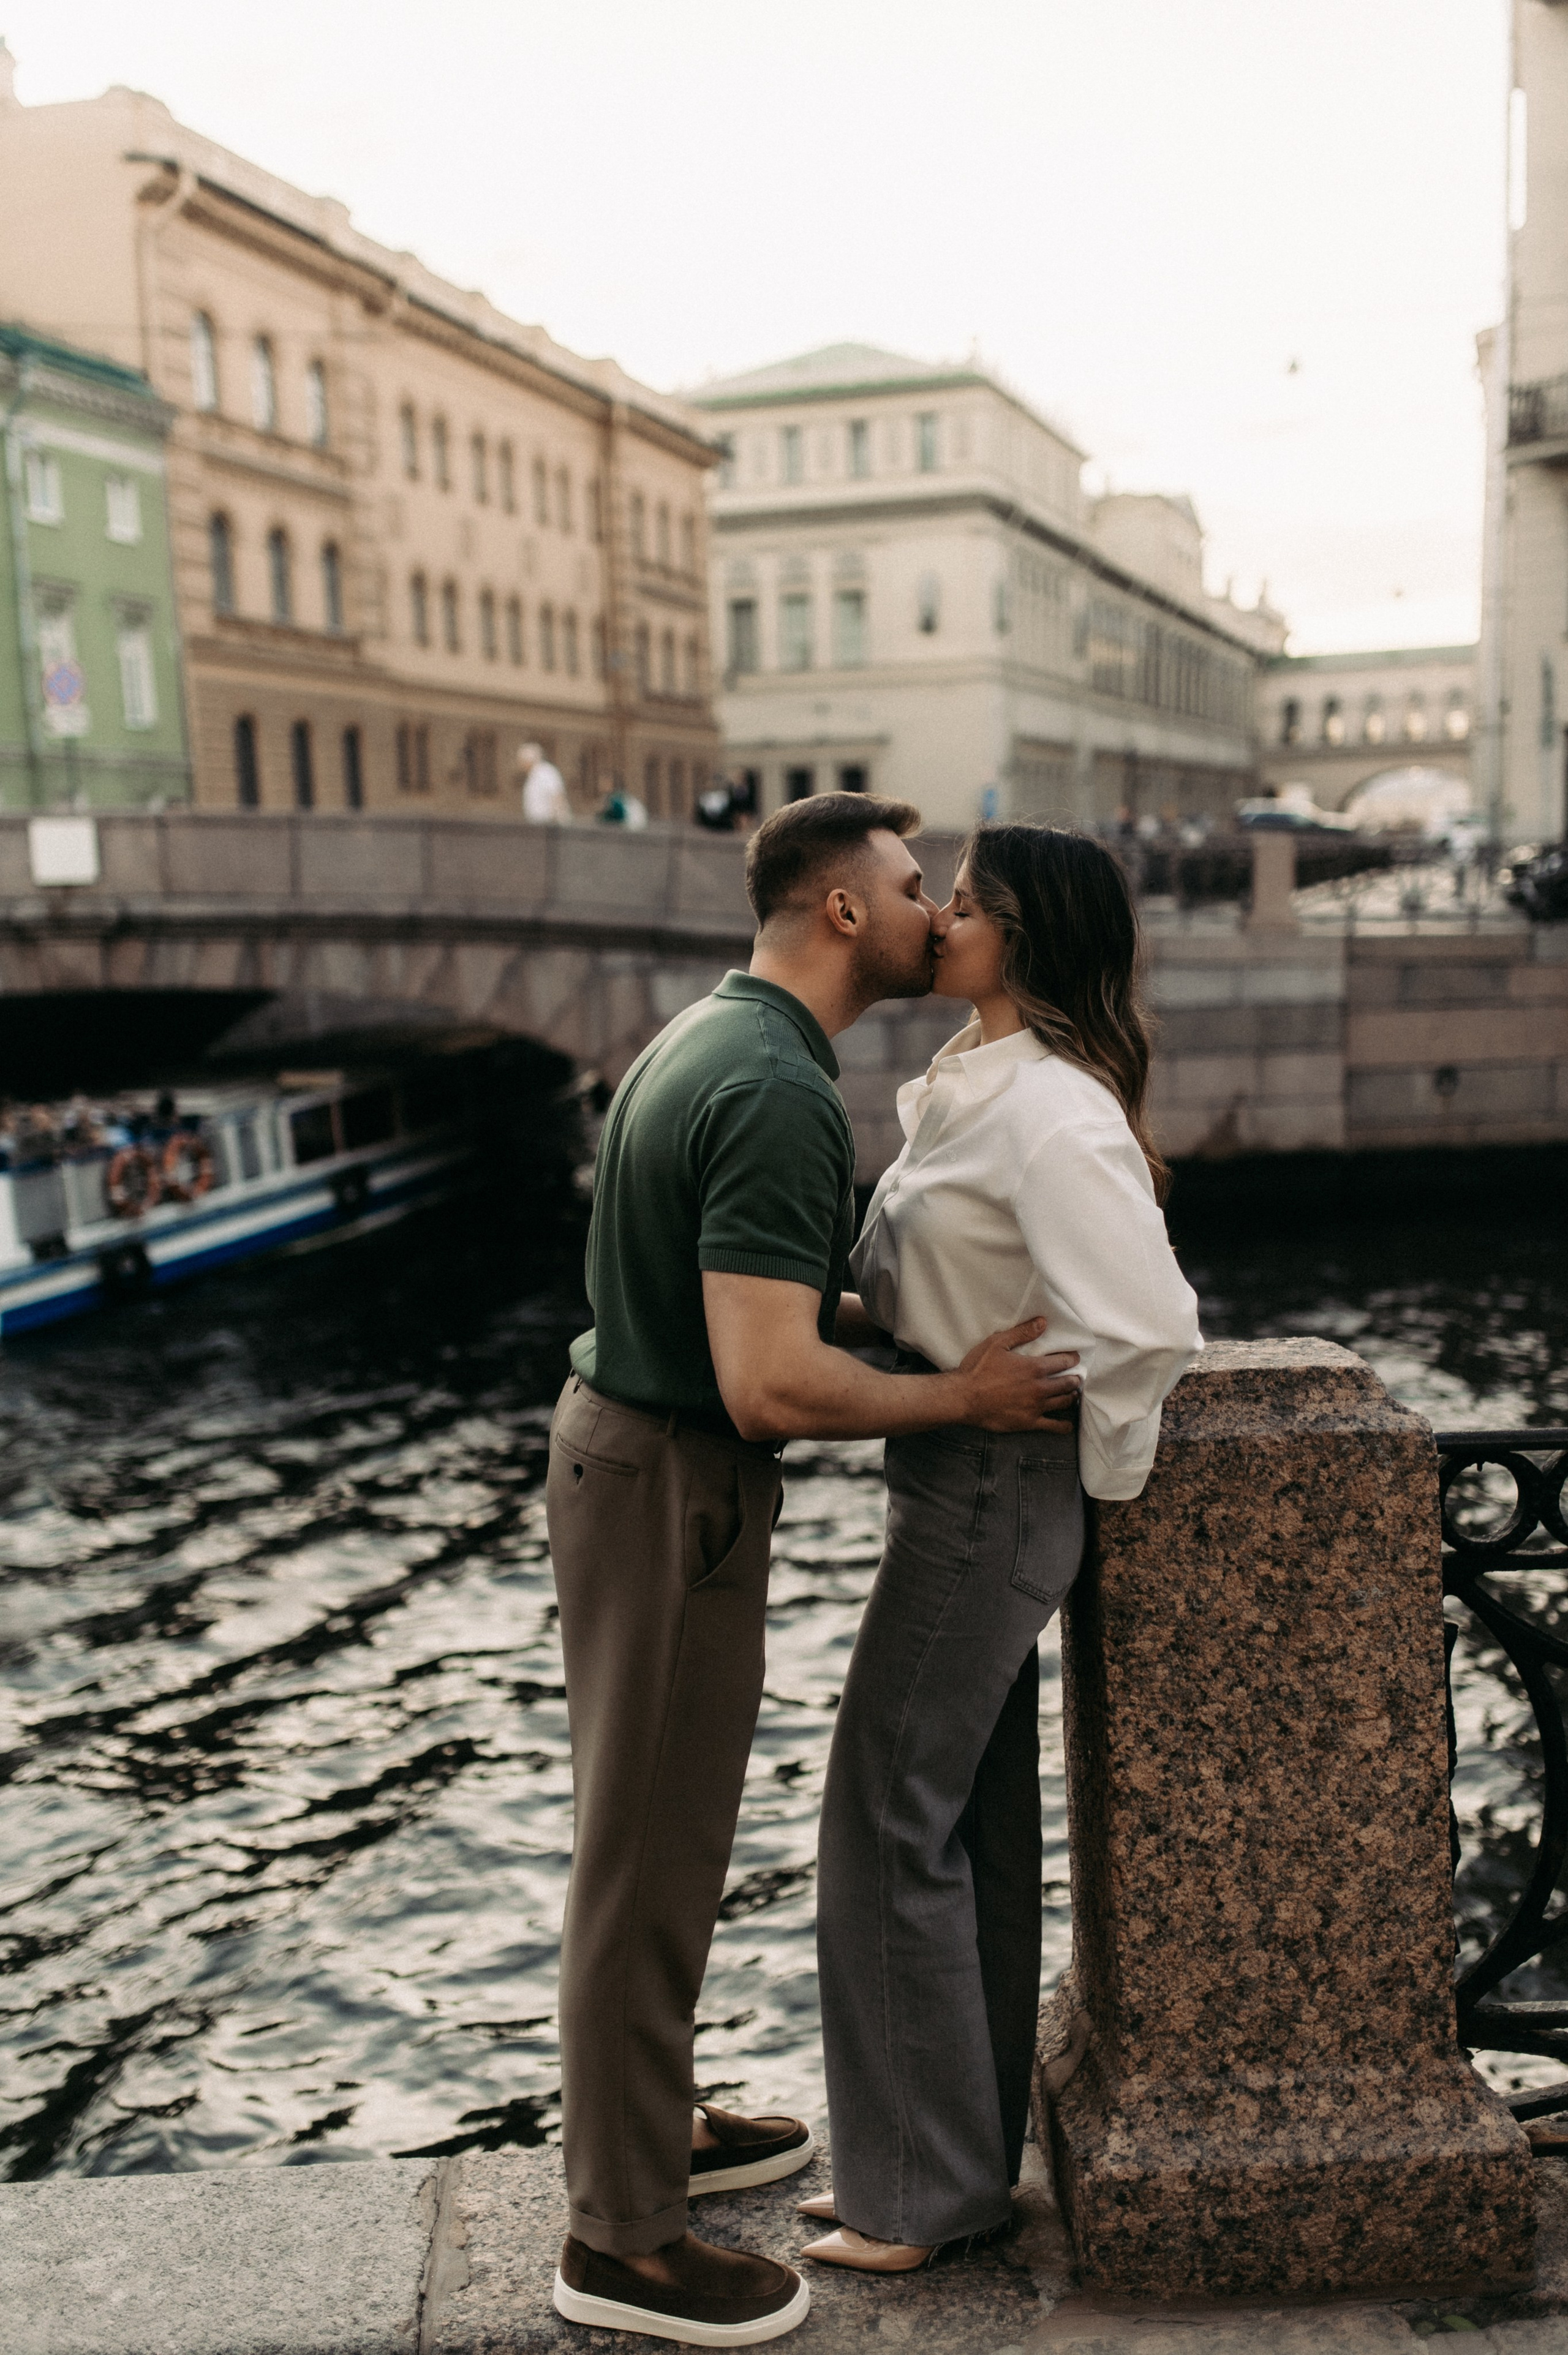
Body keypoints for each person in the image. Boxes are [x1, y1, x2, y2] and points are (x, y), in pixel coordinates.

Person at [546, 794, 1082, 2346]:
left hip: (629, 1458)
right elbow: (767, 1385)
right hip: (668, 1479)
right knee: (642, 1861)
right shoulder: (775, 1088)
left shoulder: (713, 1035)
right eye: (914, 886)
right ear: (842, 910)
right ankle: (621, 2241)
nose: (936, 909)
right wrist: (964, 1397)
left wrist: (869, 1322)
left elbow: (754, 1305)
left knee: (652, 1832)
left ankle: (649, 2123)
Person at [801, 823, 1202, 2277]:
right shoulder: (974, 1086)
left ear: (1020, 937)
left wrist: (1088, 1477)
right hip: (955, 1472)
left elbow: (1148, 1326)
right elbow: (929, 1278)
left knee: (879, 1820)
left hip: (985, 1489)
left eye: (961, 903)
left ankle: (910, 2198)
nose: (939, 918)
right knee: (962, 1824)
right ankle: (947, 2171)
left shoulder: (1048, 1111)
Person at [519, 742, 570, 824]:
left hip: (549, 825)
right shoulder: (533, 775)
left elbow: (557, 796)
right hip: (537, 824)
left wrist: (559, 821)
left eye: (522, 760)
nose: (521, 764)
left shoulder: (546, 772)